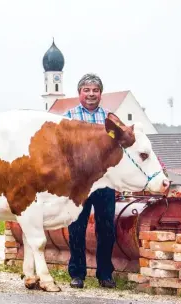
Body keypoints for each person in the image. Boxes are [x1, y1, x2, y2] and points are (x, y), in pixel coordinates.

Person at [64, 73, 117, 289]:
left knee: (106, 229)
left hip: (105, 181)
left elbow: (117, 150)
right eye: (86, 90)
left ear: (101, 94)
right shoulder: (68, 118)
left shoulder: (110, 119)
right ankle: (77, 274)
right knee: (76, 228)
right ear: (79, 94)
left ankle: (105, 274)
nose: (91, 94)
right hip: (79, 183)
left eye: (95, 90)